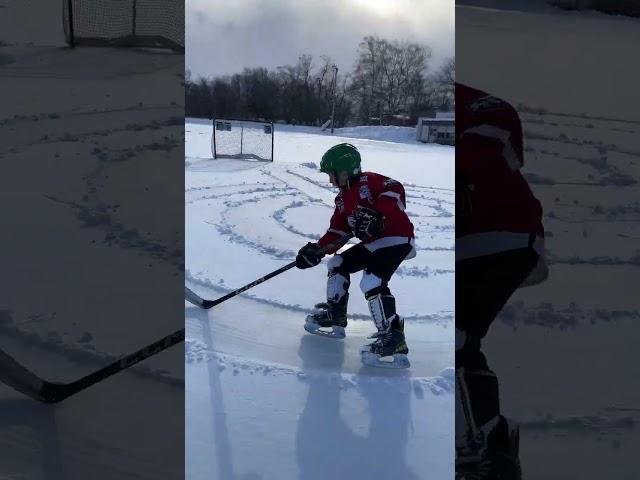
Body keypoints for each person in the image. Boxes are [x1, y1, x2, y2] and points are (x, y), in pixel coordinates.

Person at [455, 83, 548, 479]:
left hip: (500, 234)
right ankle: (489, 441)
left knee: (455, 339)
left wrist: (464, 166)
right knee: (462, 342)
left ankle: (482, 455)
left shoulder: (466, 100)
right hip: (472, 241)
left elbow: (499, 117)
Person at [295, 143, 416, 368]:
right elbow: (338, 232)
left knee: (372, 281)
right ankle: (335, 315)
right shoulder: (342, 199)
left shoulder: (368, 182)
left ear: (344, 171)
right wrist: (316, 251)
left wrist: (379, 213)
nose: (330, 181)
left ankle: (393, 339)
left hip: (397, 238)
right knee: (338, 263)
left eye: (332, 175)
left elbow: (396, 189)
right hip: (374, 243)